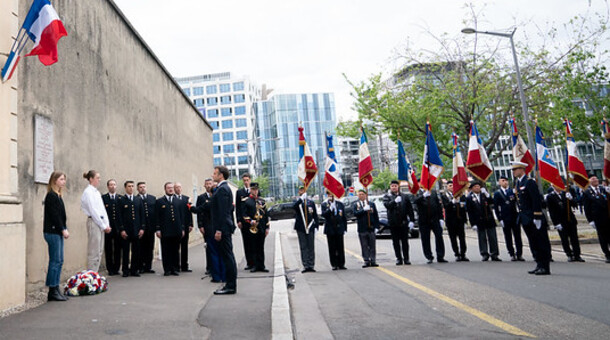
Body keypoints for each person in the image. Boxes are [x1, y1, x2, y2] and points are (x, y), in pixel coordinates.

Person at [513, 161, 552, 275]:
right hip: (525, 218)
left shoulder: (530, 182)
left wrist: (537, 216)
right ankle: (539, 264)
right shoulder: (518, 183)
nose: (514, 172)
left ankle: (545, 266)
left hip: (534, 218)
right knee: (533, 242)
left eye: (515, 169)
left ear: (522, 169)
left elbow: (536, 200)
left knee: (541, 242)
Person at [211, 166, 238, 294]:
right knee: (228, 256)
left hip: (223, 228)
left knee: (227, 257)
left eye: (215, 173)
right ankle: (229, 284)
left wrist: (219, 230)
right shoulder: (223, 188)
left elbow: (222, 212)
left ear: (221, 175)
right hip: (224, 227)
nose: (213, 175)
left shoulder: (222, 189)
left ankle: (230, 286)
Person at [191, 178, 225, 282]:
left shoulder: (210, 202)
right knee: (221, 252)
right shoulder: (221, 199)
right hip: (221, 228)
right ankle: (223, 275)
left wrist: (189, 205)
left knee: (213, 252)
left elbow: (196, 210)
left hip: (211, 229)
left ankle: (216, 276)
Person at [44, 171, 69, 301]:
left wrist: (64, 228)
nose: (63, 182)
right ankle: (52, 290)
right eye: (61, 179)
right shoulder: (51, 196)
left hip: (57, 231)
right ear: (54, 181)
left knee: (59, 261)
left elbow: (61, 216)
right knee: (55, 261)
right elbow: (55, 216)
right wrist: (62, 229)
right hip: (52, 232)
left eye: (64, 179)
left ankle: (55, 288)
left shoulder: (58, 195)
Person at [81, 170, 111, 272]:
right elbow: (93, 211)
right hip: (94, 222)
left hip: (100, 223)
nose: (99, 180)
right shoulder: (88, 192)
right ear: (91, 179)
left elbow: (102, 210)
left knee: (99, 251)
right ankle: (91, 275)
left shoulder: (96, 192)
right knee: (93, 251)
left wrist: (106, 224)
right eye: (97, 178)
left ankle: (95, 275)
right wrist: (103, 226)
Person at [546, 185, 584, 262]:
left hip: (570, 220)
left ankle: (577, 255)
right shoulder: (550, 197)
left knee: (574, 238)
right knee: (564, 239)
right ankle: (569, 254)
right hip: (560, 221)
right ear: (553, 186)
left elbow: (575, 205)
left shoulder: (565, 194)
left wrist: (571, 199)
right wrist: (556, 223)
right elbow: (551, 211)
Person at [466, 182, 501, 262]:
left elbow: (492, 202)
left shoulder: (484, 195)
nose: (477, 188)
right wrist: (473, 224)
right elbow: (470, 212)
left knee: (492, 237)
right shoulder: (469, 198)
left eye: (478, 186)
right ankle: (484, 254)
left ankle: (494, 254)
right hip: (479, 221)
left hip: (488, 219)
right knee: (482, 238)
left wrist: (487, 194)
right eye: (475, 186)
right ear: (472, 188)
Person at [383, 180, 415, 265]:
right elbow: (387, 206)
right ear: (390, 187)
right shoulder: (387, 196)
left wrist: (412, 220)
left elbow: (409, 209)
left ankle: (406, 258)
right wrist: (394, 201)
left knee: (405, 242)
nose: (394, 187)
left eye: (395, 186)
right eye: (392, 186)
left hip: (403, 222)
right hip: (393, 223)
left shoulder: (404, 196)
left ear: (398, 187)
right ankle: (399, 258)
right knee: (396, 242)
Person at [240, 182, 270, 272]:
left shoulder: (262, 201)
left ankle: (262, 265)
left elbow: (266, 215)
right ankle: (255, 265)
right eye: (253, 189)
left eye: (256, 189)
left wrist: (267, 227)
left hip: (261, 227)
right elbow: (244, 215)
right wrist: (250, 221)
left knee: (261, 247)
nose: (255, 191)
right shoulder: (246, 201)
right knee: (253, 247)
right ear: (250, 190)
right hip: (252, 227)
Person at [155, 182, 184, 276]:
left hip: (176, 229)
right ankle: (167, 269)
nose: (171, 189)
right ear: (165, 189)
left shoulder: (178, 201)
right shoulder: (159, 201)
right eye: (168, 188)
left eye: (172, 188)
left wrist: (182, 228)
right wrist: (158, 229)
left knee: (175, 250)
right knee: (166, 250)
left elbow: (182, 216)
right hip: (165, 230)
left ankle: (175, 268)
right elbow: (157, 217)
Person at [493, 176, 524, 261]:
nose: (505, 182)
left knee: (518, 236)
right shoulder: (497, 193)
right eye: (503, 181)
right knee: (508, 237)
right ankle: (511, 253)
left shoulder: (513, 191)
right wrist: (500, 219)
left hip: (515, 217)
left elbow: (517, 203)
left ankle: (519, 254)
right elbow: (496, 208)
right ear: (499, 182)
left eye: (506, 180)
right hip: (505, 218)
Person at [118, 180, 145, 277]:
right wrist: (122, 229)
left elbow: (142, 215)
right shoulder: (121, 200)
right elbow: (119, 216)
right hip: (126, 230)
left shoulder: (138, 200)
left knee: (136, 250)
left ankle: (134, 269)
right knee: (125, 251)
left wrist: (142, 228)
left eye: (133, 186)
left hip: (136, 229)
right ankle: (125, 270)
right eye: (129, 186)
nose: (131, 188)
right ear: (125, 188)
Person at [583, 174, 610, 263]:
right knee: (603, 237)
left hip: (608, 217)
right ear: (589, 181)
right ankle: (607, 254)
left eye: (596, 178)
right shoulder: (587, 192)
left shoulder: (603, 189)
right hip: (598, 219)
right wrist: (590, 220)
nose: (595, 180)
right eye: (593, 179)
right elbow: (587, 208)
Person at [415, 189, 447, 264]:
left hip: (435, 219)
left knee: (439, 236)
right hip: (424, 220)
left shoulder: (433, 192)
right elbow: (415, 201)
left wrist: (441, 218)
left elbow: (438, 205)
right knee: (425, 239)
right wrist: (423, 196)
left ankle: (440, 256)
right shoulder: (417, 192)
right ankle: (429, 256)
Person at [441, 181, 469, 262]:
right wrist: (453, 201)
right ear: (447, 187)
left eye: (453, 185)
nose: (452, 187)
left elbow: (464, 209)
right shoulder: (444, 197)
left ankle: (463, 254)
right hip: (451, 221)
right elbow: (446, 207)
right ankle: (457, 254)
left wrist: (465, 221)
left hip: (460, 221)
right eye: (450, 185)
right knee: (453, 239)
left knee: (462, 238)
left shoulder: (461, 196)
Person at [294, 186, 320, 273]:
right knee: (303, 247)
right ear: (299, 192)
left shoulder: (311, 203)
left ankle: (311, 265)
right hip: (301, 227)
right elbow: (294, 207)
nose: (302, 191)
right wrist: (301, 199)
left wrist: (316, 226)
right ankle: (305, 265)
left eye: (303, 190)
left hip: (310, 226)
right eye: (301, 190)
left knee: (311, 247)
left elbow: (315, 215)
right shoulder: (298, 202)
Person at [321, 191, 347, 270]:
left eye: (332, 194)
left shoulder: (340, 204)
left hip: (339, 228)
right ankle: (334, 264)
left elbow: (344, 217)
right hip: (330, 229)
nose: (330, 196)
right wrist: (330, 209)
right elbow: (324, 215)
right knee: (332, 247)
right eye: (329, 194)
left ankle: (341, 264)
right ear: (327, 195)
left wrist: (345, 228)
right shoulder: (324, 204)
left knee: (340, 247)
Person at [102, 179, 122, 276]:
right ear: (108, 186)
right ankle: (110, 268)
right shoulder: (103, 198)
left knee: (118, 248)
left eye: (114, 184)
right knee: (108, 248)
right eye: (110, 185)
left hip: (118, 227)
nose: (112, 186)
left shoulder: (120, 198)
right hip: (108, 227)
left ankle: (117, 268)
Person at [354, 189, 379, 268]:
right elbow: (355, 214)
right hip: (362, 228)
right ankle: (366, 260)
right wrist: (363, 210)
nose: (361, 196)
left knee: (372, 245)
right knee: (364, 245)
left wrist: (376, 226)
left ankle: (373, 260)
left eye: (362, 194)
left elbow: (376, 216)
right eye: (359, 194)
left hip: (371, 228)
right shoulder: (356, 205)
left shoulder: (371, 204)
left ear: (366, 195)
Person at [236, 173, 255, 270]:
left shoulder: (254, 191)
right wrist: (238, 220)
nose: (246, 182)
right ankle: (249, 263)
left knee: (254, 242)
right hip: (244, 222)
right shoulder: (239, 192)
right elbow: (238, 208)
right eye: (244, 180)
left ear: (250, 180)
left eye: (247, 180)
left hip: (253, 221)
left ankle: (255, 262)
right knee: (246, 242)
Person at [137, 181, 157, 274]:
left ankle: (148, 267)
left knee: (150, 247)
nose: (142, 188)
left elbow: (156, 213)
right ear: (138, 189)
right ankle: (140, 266)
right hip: (140, 228)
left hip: (150, 228)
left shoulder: (152, 198)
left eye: (144, 187)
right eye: (140, 187)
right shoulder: (136, 199)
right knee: (141, 248)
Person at [175, 182, 193, 272]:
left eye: (179, 187)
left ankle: (184, 266)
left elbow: (189, 212)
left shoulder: (186, 199)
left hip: (186, 225)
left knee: (184, 247)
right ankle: (176, 266)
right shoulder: (173, 199)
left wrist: (191, 224)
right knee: (176, 247)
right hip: (176, 227)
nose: (178, 189)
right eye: (176, 187)